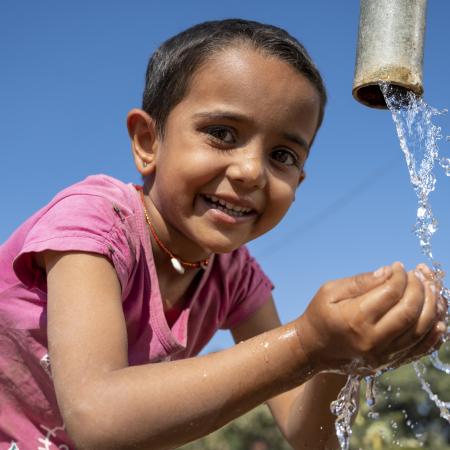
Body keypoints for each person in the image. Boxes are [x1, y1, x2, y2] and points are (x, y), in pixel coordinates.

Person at [0, 18, 446, 450]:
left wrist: (343, 359)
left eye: (283, 155)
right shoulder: (93, 221)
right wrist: (309, 344)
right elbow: (97, 417)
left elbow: (307, 435)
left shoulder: (234, 277)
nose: (252, 171)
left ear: (300, 182)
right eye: (221, 133)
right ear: (147, 141)